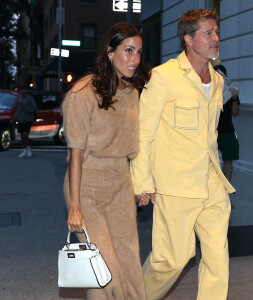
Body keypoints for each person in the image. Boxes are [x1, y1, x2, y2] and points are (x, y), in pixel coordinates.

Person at [130, 9, 235, 300]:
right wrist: (142, 181)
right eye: (208, 33)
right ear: (188, 39)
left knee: (217, 259)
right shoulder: (163, 77)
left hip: (212, 183)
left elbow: (209, 135)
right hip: (176, 185)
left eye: (216, 32)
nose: (216, 38)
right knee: (173, 259)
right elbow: (143, 133)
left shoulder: (217, 81)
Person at [63, 23, 150, 300]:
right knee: (105, 270)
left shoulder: (132, 93)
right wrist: (75, 207)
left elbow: (135, 147)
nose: (135, 59)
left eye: (138, 52)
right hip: (87, 184)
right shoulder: (82, 92)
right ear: (110, 52)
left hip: (121, 183)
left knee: (130, 264)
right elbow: (75, 154)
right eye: (128, 51)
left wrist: (142, 183)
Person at [214, 64, 240, 182]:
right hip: (212, 130)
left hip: (227, 130)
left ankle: (227, 186)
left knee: (228, 159)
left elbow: (235, 113)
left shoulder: (231, 91)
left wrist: (234, 97)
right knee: (210, 160)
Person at [12, 89, 37, 158]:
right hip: (21, 119)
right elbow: (17, 110)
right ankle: (24, 150)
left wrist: (25, 107)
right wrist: (14, 119)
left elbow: (34, 108)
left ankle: (29, 148)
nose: (21, 92)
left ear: (26, 91)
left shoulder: (30, 99)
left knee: (25, 134)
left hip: (28, 119)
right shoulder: (20, 99)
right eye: (21, 91)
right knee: (22, 135)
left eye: (23, 90)